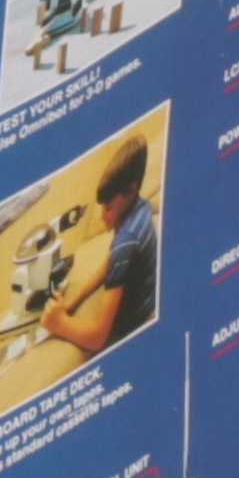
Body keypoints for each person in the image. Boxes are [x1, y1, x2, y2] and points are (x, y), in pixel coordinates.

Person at [43, 137, 159, 362]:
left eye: (108, 208)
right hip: (146, 303)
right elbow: (111, 263)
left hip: (134, 327)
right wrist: (72, 302)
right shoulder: (141, 207)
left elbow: (97, 338)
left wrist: (58, 323)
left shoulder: (126, 240)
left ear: (130, 190)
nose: (103, 217)